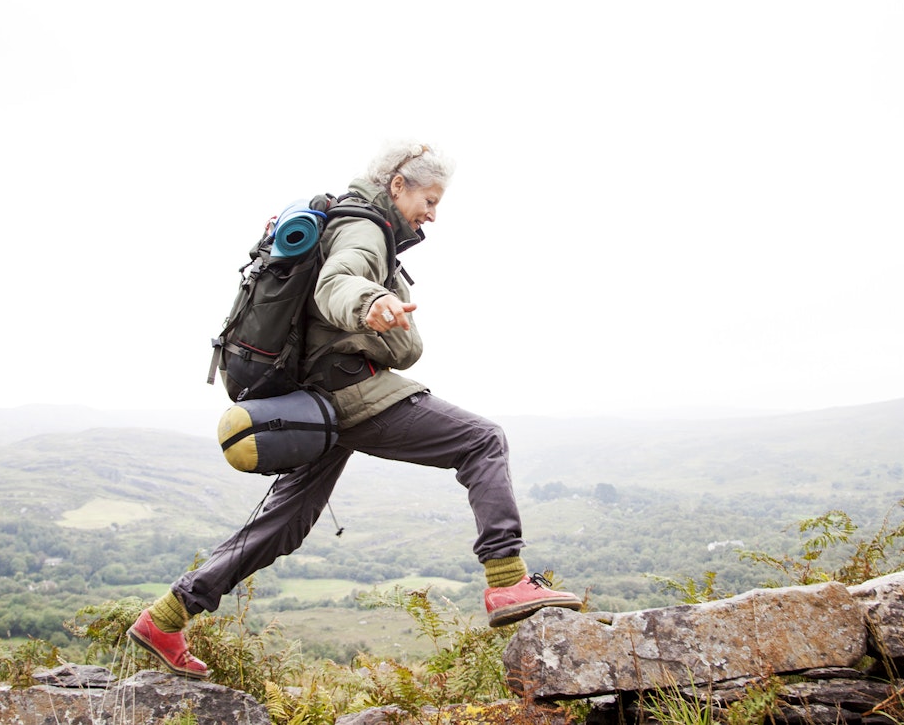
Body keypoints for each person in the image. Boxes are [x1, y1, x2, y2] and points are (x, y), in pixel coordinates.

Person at [128, 141, 581, 678]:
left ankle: (167, 616)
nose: (433, 213)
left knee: (284, 525)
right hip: (352, 397)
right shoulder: (365, 229)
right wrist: (370, 303)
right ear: (397, 186)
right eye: (429, 199)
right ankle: (507, 581)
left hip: (316, 406)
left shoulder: (348, 219)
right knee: (481, 441)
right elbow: (338, 281)